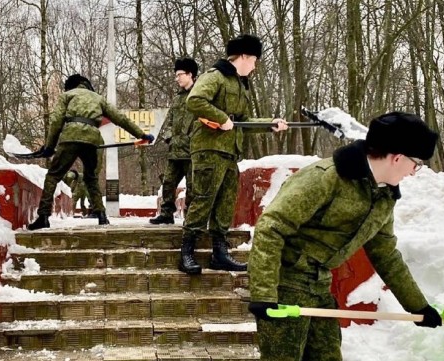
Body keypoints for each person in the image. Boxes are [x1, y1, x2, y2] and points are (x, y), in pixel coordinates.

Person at [239, 112, 442, 361]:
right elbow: (271, 228)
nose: (416, 173)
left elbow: (385, 251)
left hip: (318, 284)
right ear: (397, 157)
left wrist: (419, 307)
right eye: (416, 164)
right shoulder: (325, 178)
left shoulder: (383, 195)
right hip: (284, 282)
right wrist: (264, 295)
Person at [180, 34, 288, 274]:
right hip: (209, 148)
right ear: (244, 56)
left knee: (226, 201)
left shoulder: (239, 84)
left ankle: (220, 252)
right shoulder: (215, 76)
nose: (255, 65)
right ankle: (187, 251)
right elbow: (195, 100)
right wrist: (221, 119)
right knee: (204, 197)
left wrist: (269, 124)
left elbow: (243, 122)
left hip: (229, 151)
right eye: (254, 59)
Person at [27, 73, 154, 230]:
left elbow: (56, 121)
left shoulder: (67, 95)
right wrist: (142, 135)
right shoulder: (98, 98)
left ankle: (43, 217)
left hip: (70, 137)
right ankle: (101, 215)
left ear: (70, 86)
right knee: (91, 178)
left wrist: (50, 147)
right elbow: (121, 119)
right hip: (92, 139)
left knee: (53, 175)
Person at [150, 57, 199, 225]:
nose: (177, 78)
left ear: (190, 74)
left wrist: (192, 137)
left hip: (193, 150)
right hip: (175, 149)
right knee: (168, 182)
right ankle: (166, 213)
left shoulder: (200, 95)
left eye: (179, 74)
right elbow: (170, 121)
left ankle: (191, 217)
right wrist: (169, 136)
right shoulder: (178, 98)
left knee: (193, 186)